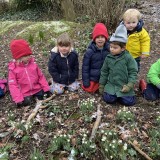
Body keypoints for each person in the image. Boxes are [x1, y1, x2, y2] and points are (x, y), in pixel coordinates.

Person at [99, 24, 138, 106]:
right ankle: (115, 96)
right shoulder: (108, 58)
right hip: (112, 85)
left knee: (129, 102)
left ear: (123, 48)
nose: (112, 49)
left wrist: (129, 85)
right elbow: (104, 71)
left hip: (123, 85)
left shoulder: (128, 57)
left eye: (115, 48)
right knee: (108, 99)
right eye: (111, 47)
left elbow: (133, 72)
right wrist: (102, 85)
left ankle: (123, 96)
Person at [8, 39, 51, 107]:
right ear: (18, 57)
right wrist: (18, 99)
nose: (28, 57)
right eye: (25, 56)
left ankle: (40, 94)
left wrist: (46, 88)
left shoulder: (33, 65)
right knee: (27, 102)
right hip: (25, 92)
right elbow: (13, 85)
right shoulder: (13, 69)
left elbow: (41, 77)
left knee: (44, 96)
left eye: (29, 54)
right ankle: (27, 99)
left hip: (36, 88)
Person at [82, 23, 110, 93]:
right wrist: (86, 81)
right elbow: (85, 68)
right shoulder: (90, 52)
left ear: (106, 38)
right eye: (97, 37)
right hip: (94, 77)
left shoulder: (109, 50)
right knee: (89, 89)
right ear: (94, 39)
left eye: (102, 37)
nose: (100, 39)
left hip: (105, 77)